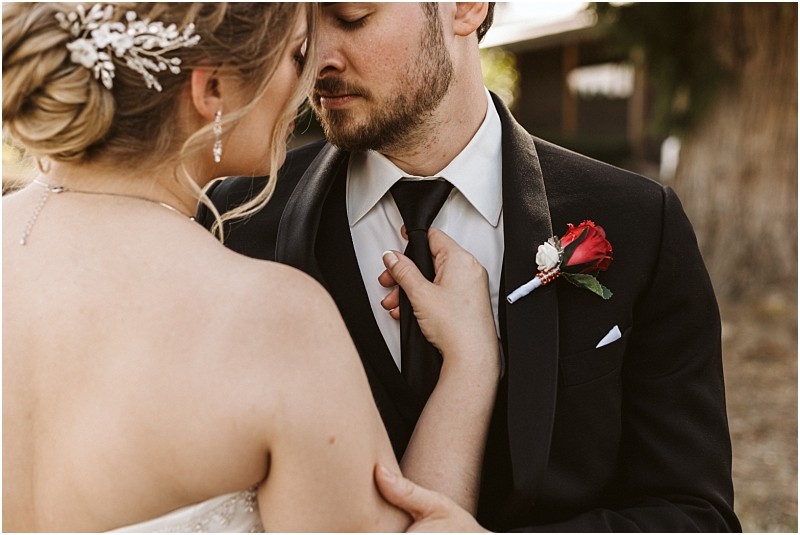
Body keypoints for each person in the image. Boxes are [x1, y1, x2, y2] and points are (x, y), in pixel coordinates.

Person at [201, 2, 742, 531]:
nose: (316, 60)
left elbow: (693, 514)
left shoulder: (640, 222)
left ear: (466, 9)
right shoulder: (235, 220)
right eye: (302, 24)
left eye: (351, 19)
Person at [2, 3, 502, 532]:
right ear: (212, 88)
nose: (308, 78)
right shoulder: (275, 319)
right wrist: (471, 364)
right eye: (295, 54)